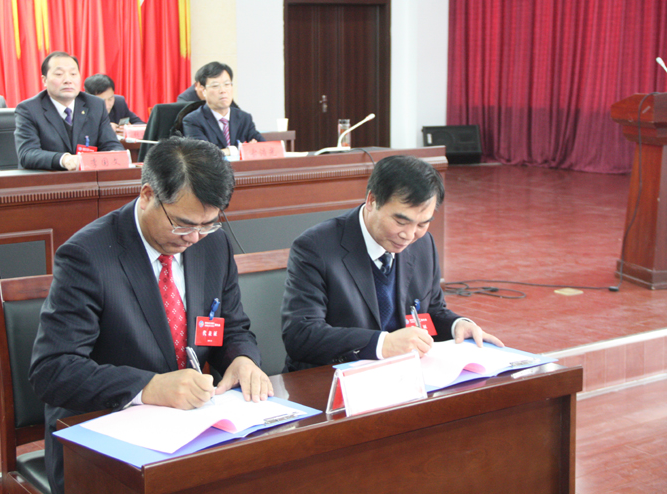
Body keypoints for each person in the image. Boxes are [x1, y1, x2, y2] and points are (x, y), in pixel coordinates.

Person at [29, 136, 273, 494]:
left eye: (207, 224)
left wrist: (242, 360)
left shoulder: (213, 245)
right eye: (183, 224)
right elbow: (52, 371)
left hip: (190, 428)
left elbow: (231, 326)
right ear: (147, 195)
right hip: (105, 436)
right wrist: (147, 387)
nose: (194, 238)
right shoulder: (87, 256)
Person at [281, 155, 504, 372]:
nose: (409, 235)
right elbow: (301, 335)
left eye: (422, 224)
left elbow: (431, 311)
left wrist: (457, 325)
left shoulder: (423, 244)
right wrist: (382, 344)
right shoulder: (316, 247)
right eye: (400, 221)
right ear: (372, 200)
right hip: (332, 379)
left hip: (404, 376)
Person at [14, 51, 124, 170]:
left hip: (88, 178)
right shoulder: (29, 110)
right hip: (47, 179)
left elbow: (111, 144)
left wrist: (115, 155)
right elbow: (27, 154)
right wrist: (63, 159)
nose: (68, 80)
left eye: (73, 74)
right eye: (59, 74)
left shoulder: (95, 105)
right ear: (44, 80)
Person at [182, 61, 263, 153]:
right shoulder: (193, 121)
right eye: (215, 86)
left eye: (227, 84)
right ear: (203, 90)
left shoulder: (244, 118)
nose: (223, 90)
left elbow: (263, 147)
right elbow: (203, 155)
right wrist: (239, 150)